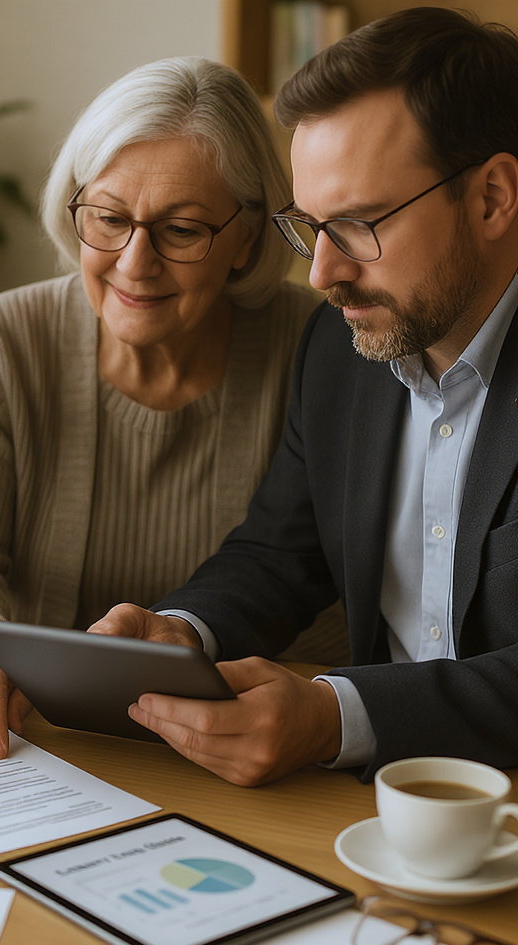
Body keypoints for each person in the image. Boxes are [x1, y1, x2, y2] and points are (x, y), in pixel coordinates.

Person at [93, 7, 518, 786]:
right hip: (370, 812)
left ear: (493, 196)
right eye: (310, 226)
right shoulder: (341, 348)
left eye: (357, 223)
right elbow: (278, 553)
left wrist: (334, 716)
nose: (322, 273)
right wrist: (182, 632)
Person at [0, 56, 345, 760]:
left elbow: (321, 590)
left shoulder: (321, 347)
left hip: (259, 744)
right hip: (48, 739)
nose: (135, 263)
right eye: (108, 219)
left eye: (182, 230)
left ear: (248, 237)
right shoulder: (10, 337)